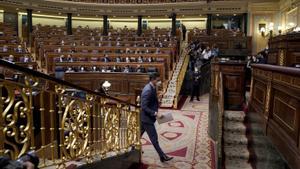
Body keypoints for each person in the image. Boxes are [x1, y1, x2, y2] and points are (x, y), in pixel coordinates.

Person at [140, 73, 173, 163]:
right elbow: (144, 106)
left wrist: (157, 98)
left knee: (137, 135)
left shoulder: (152, 87)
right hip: (147, 119)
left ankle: (133, 149)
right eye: (158, 80)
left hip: (145, 118)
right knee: (154, 138)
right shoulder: (147, 90)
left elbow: (151, 101)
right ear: (153, 80)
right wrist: (155, 113)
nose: (159, 82)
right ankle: (162, 156)